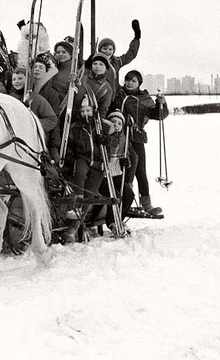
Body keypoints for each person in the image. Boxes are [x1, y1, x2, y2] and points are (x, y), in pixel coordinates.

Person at [112, 69, 169, 216]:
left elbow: (158, 115)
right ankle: (126, 201)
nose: (130, 83)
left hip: (136, 137)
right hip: (120, 137)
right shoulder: (119, 95)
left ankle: (147, 204)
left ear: (139, 83)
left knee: (141, 171)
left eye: (133, 81)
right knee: (125, 170)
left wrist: (161, 104)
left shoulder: (144, 98)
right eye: (128, 80)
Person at [62, 100, 114, 242]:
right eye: (83, 111)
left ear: (93, 111)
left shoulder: (101, 126)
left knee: (89, 194)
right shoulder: (76, 128)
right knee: (79, 173)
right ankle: (76, 208)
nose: (85, 114)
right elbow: (71, 147)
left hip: (98, 162)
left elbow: (110, 145)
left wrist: (105, 151)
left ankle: (75, 227)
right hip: (83, 158)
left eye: (88, 111)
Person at [97, 19, 141, 101]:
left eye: (110, 49)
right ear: (100, 50)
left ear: (113, 51)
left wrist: (137, 37)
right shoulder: (95, 63)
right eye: (104, 48)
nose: (107, 51)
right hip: (101, 99)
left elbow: (131, 54)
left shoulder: (117, 61)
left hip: (114, 98)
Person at [7, 66, 57, 134]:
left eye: (20, 78)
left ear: (28, 80)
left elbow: (51, 119)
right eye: (14, 79)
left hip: (33, 137)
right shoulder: (9, 99)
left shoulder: (36, 98)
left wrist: (33, 125)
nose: (16, 81)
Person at [70, 52, 113, 121]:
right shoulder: (82, 75)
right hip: (70, 112)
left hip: (86, 118)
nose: (97, 66)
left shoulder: (107, 89)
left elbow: (103, 109)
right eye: (95, 63)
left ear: (106, 68)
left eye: (101, 64)